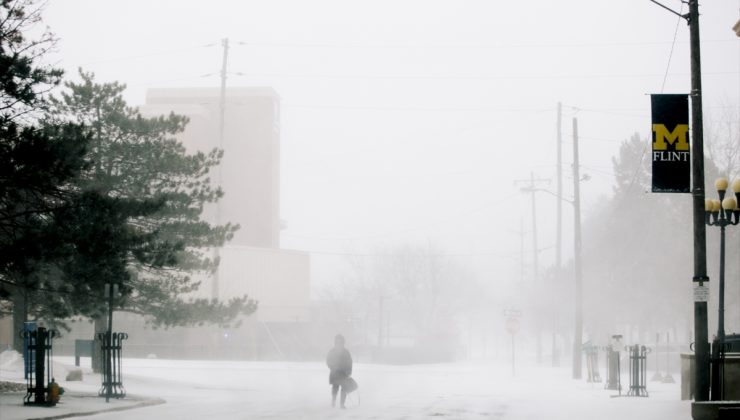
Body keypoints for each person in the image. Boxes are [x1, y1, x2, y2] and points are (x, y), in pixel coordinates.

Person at [326, 334, 353, 408]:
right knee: (335, 387)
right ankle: (333, 402)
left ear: (343, 342)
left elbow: (350, 362)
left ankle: (342, 404)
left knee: (344, 388)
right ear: (335, 342)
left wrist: (349, 371)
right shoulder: (332, 351)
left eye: (341, 342)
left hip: (344, 373)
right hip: (335, 372)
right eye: (338, 342)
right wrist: (332, 367)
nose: (339, 343)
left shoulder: (346, 352)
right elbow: (328, 360)